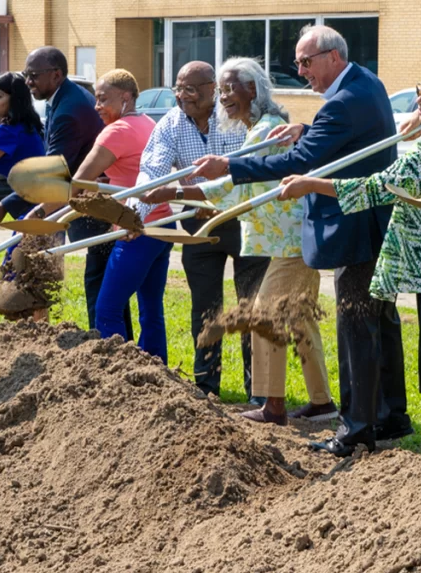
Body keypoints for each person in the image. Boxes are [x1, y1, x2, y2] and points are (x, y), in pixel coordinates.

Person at [192, 26, 410, 457]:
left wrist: (229, 168)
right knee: (379, 322)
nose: (300, 71)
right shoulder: (366, 83)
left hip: (353, 223)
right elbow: (338, 141)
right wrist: (307, 129)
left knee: (357, 325)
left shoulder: (345, 101)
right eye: (297, 63)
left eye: (306, 62)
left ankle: (357, 430)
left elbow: (306, 161)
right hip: (370, 220)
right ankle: (389, 416)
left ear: (332, 57)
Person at [280, 59, 421, 453]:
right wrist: (420, 119)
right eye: (418, 92)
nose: (419, 101)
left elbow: (378, 187)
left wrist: (310, 184)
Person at [141, 57, 337, 424]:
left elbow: (233, 186)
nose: (225, 97)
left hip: (289, 244)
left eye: (232, 89)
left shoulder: (266, 130)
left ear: (253, 89)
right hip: (285, 241)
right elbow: (238, 189)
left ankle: (272, 406)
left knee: (263, 316)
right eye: (223, 90)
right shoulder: (257, 128)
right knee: (299, 320)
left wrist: (171, 192)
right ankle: (323, 403)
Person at [135, 61, 270, 401]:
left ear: (213, 88)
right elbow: (152, 172)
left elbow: (246, 174)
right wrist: (137, 215)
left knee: (251, 306)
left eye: (191, 90)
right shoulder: (172, 122)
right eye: (178, 89)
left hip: (244, 220)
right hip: (198, 223)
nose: (183, 97)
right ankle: (207, 384)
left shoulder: (237, 118)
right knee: (205, 307)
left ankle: (259, 391)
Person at [0, 47, 110, 331]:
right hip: (72, 197)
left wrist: (5, 206)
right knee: (97, 279)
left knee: (100, 281)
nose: (28, 82)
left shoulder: (68, 111)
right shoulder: (60, 98)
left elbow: (52, 170)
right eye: (25, 75)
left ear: (56, 74)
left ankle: (108, 343)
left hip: (92, 203)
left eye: (33, 75)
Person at [68, 70, 165, 355]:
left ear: (125, 97)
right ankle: (156, 378)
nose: (97, 106)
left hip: (134, 231)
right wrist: (107, 185)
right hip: (162, 227)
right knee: (151, 310)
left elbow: (79, 182)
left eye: (102, 99)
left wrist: (43, 205)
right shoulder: (147, 123)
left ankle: (118, 378)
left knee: (107, 309)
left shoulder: (117, 130)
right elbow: (133, 172)